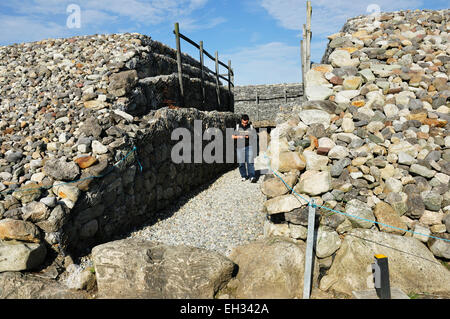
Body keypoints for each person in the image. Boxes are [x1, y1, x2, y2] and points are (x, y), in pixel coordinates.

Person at [232, 114, 257, 183]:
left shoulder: (251, 127)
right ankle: (243, 176)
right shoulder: (237, 127)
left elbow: (255, 136)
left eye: (246, 123)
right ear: (241, 121)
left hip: (249, 146)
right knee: (241, 163)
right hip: (239, 147)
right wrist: (239, 137)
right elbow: (233, 136)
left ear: (248, 121)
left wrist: (249, 136)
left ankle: (252, 176)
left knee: (250, 162)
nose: (244, 124)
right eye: (243, 122)